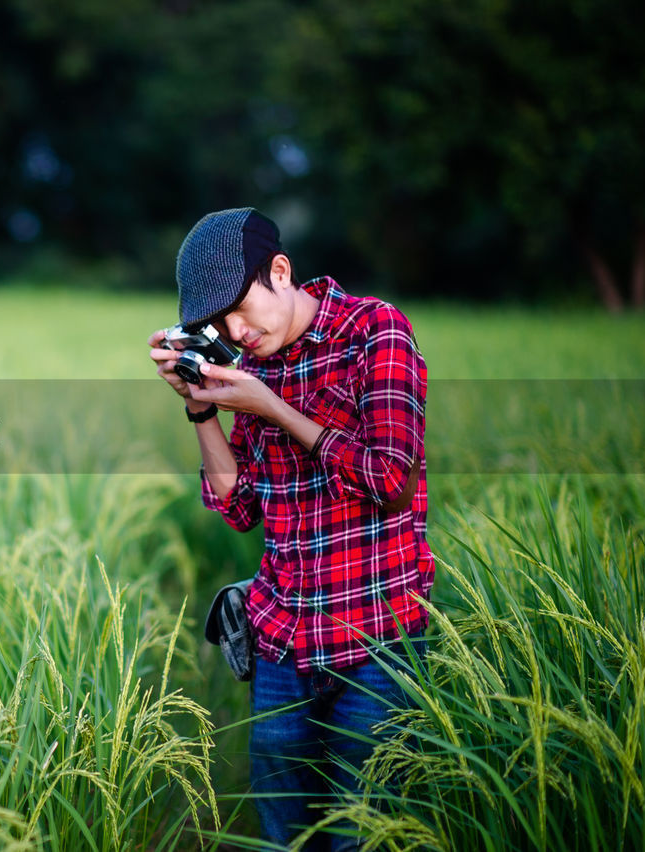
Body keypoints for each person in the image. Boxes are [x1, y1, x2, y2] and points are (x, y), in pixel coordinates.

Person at [148, 208, 434, 851]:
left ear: (280, 271)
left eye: (240, 311)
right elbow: (240, 506)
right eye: (218, 327)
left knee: (361, 837)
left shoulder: (375, 332)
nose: (237, 333)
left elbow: (390, 480)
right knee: (286, 835)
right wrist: (201, 408)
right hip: (282, 641)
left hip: (378, 642)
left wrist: (271, 407)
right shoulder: (251, 366)